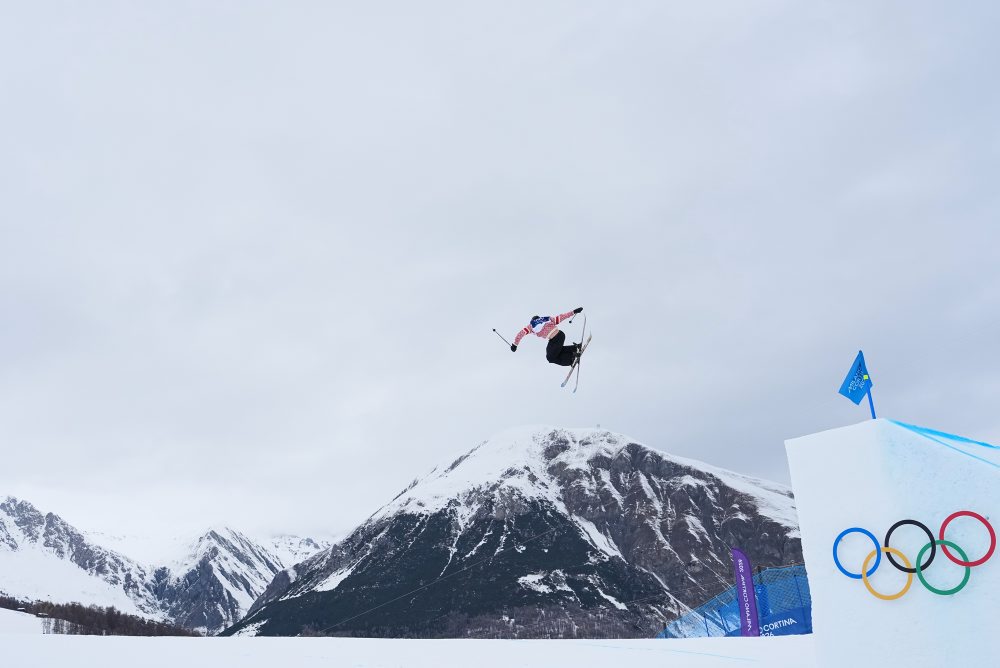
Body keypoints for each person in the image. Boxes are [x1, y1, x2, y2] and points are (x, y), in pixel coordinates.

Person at [510, 307, 583, 366]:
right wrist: (574, 311)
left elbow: (520, 334)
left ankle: (571, 359)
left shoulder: (531, 326)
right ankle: (574, 348)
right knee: (552, 352)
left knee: (550, 358)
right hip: (560, 335)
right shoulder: (546, 319)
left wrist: (515, 345)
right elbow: (561, 317)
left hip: (555, 339)